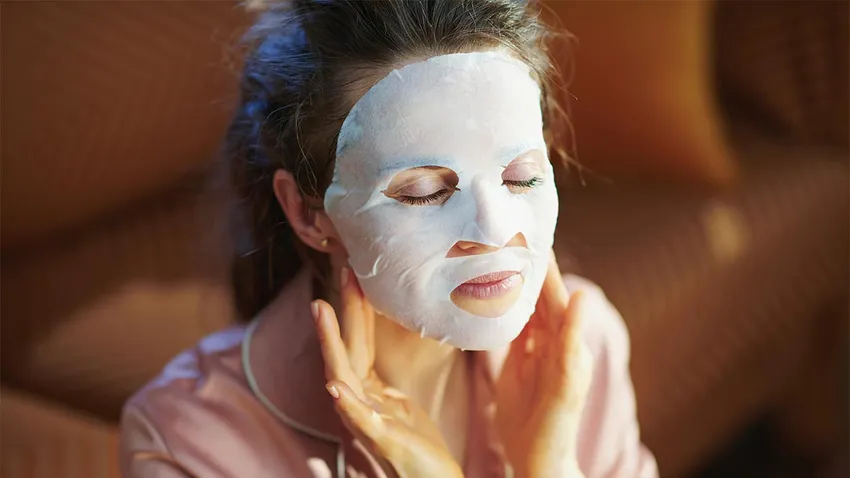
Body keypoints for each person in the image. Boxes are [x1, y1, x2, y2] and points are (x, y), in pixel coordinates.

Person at [119, 1, 658, 476]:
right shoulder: (188, 442)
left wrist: (552, 467)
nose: (496, 230)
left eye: (521, 178)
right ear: (307, 213)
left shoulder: (576, 352)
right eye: (424, 192)